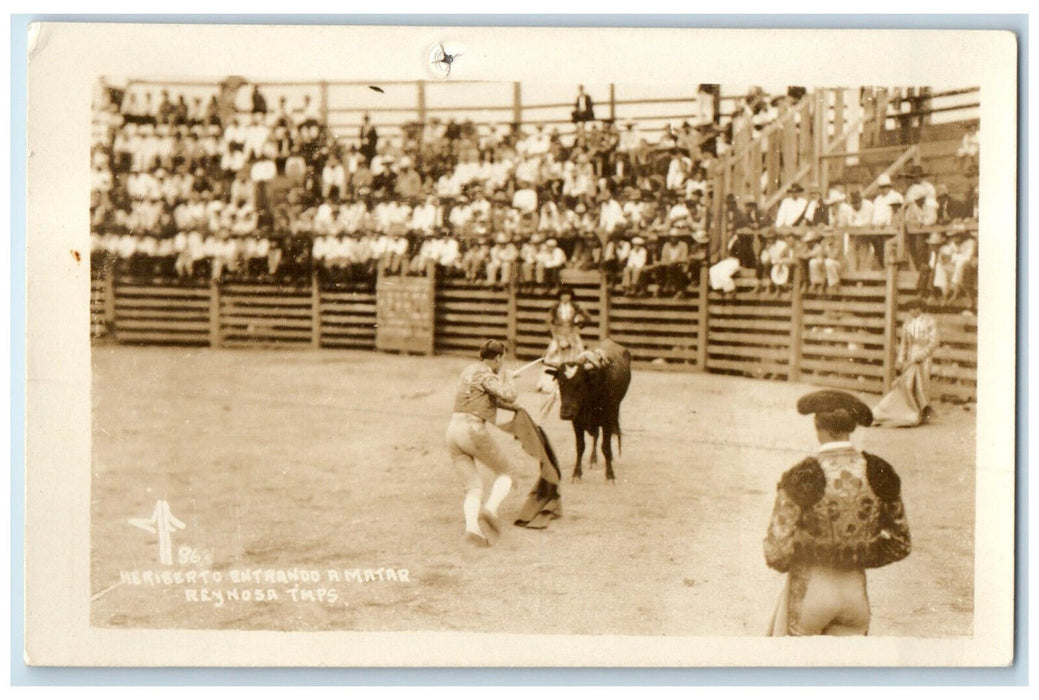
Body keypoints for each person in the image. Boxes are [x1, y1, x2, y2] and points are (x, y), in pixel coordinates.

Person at [764, 390, 911, 636]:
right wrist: (858, 553)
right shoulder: (878, 470)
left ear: (817, 426)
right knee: (847, 671)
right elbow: (901, 544)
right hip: (855, 595)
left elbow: (776, 552)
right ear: (851, 428)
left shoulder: (804, 474)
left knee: (794, 669)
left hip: (811, 591)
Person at [446, 339, 520, 547]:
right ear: (497, 358)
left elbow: (490, 398)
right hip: (472, 429)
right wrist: (509, 378)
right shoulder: (489, 374)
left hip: (452, 431)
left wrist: (504, 383)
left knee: (473, 487)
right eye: (503, 359)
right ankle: (490, 509)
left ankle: (473, 530)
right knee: (508, 473)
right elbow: (509, 394)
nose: (503, 363)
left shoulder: (469, 370)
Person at [872, 298, 940, 427]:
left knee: (922, 383)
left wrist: (922, 354)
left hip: (925, 356)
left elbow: (934, 342)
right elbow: (904, 343)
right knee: (908, 383)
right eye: (910, 309)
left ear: (920, 308)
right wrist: (900, 360)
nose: (912, 311)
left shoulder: (930, 321)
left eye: (914, 308)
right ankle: (913, 412)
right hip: (911, 355)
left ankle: (922, 413)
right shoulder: (907, 323)